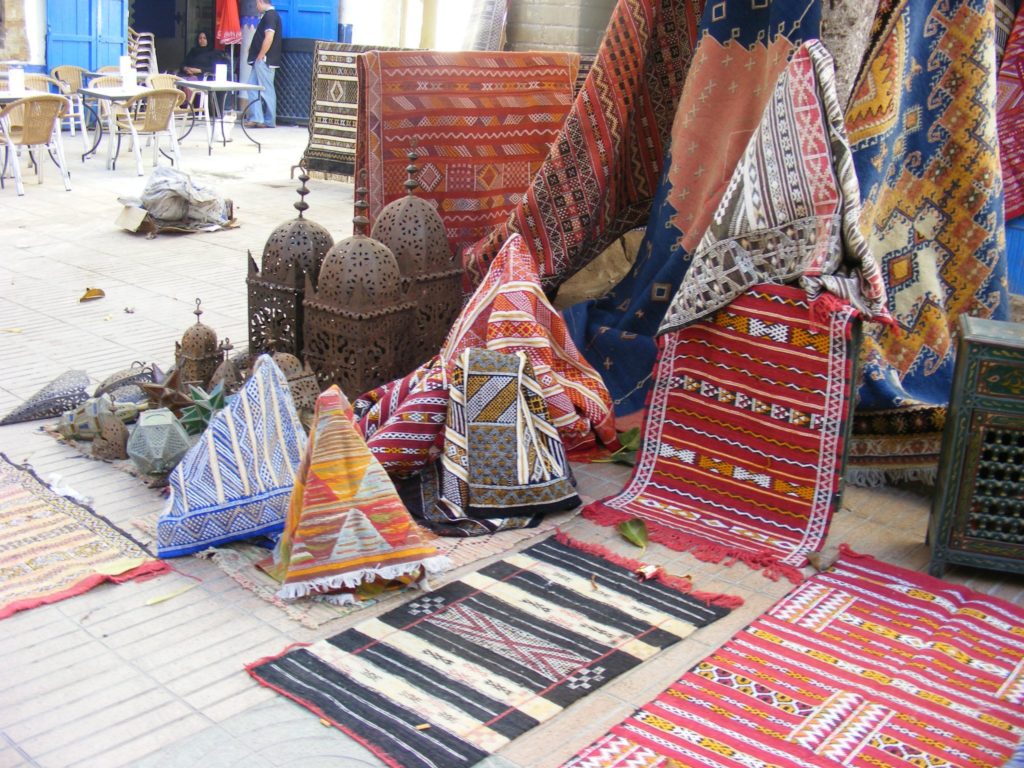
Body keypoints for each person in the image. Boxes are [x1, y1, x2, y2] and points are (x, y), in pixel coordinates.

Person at [243, 0, 282, 129]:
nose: (256, 6)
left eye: (256, 3)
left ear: (260, 1)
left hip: (264, 59)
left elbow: (269, 37)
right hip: (259, 59)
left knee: (266, 89)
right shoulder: (267, 16)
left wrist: (261, 55)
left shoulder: (271, 15)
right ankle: (257, 117)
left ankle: (269, 120)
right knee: (252, 87)